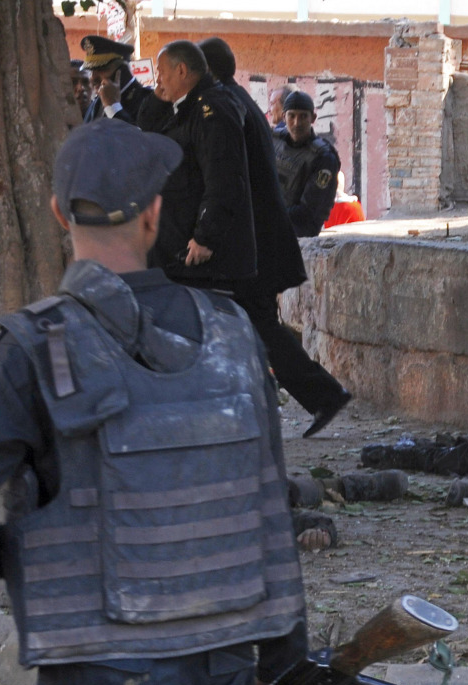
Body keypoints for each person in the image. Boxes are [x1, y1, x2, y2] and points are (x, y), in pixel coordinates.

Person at [0, 118, 308, 685]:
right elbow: (267, 505)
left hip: (93, 679)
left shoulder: (32, 346)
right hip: (218, 672)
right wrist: (282, 659)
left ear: (58, 214)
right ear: (154, 215)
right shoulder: (232, 332)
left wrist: (36, 560)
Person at [197, 37, 351, 437]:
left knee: (257, 323)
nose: (295, 123)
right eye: (291, 115)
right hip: (257, 243)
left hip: (257, 245)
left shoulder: (226, 106)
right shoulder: (242, 105)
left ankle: (321, 395)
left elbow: (302, 210)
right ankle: (315, 395)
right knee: (254, 323)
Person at [146, 40, 257, 285]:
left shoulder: (210, 110)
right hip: (182, 255)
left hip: (204, 262)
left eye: (161, 72)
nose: (158, 80)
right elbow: (147, 130)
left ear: (181, 71)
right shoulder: (187, 107)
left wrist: (205, 238)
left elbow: (223, 179)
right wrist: (156, 100)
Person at [273, 90, 341, 237]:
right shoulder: (274, 141)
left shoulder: (323, 157)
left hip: (299, 235)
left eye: (303, 116)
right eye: (292, 116)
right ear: (284, 117)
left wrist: (268, 212)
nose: (297, 123)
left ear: (313, 118)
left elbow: (308, 211)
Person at [79, 34, 152, 125]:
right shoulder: (97, 102)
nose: (93, 77)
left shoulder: (146, 100)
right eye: (91, 71)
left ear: (122, 71)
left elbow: (137, 133)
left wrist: (113, 107)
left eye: (101, 70)